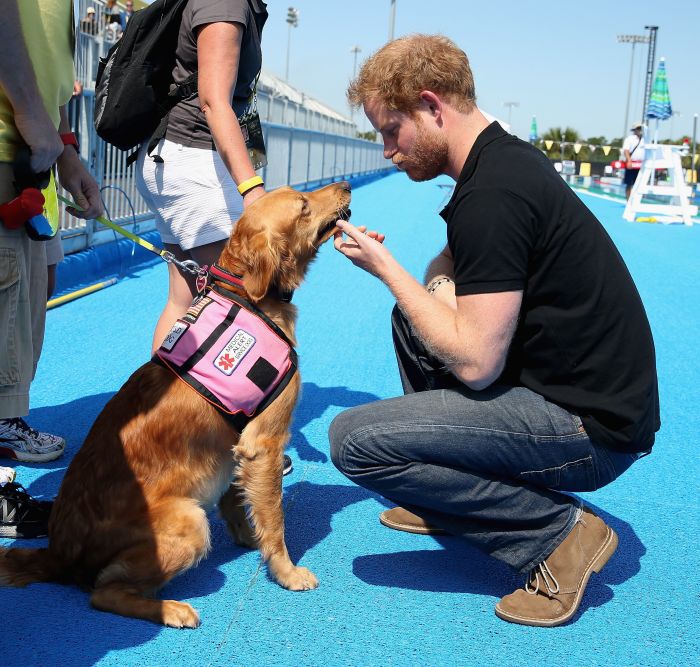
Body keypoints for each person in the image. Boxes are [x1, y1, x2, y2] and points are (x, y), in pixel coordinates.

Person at [329, 35, 659, 628]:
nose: (386, 151)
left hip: (592, 431)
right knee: (417, 317)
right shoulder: (499, 160)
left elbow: (477, 362)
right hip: (569, 394)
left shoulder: (494, 192)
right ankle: (445, 494)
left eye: (392, 130)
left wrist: (389, 272)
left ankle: (559, 537)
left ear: (432, 107)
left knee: (353, 440)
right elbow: (449, 263)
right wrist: (428, 291)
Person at [133, 1, 294, 475]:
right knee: (234, 308)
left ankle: (160, 421)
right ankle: (226, 434)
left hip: (175, 157)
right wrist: (253, 190)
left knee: (185, 300)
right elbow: (213, 98)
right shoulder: (226, 0)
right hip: (194, 160)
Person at [0, 0, 102, 533]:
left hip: (29, 151)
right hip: (10, 144)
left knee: (17, 321)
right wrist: (29, 118)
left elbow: (48, 74)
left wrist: (65, 151)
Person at [622, 121, 645, 200]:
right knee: (629, 183)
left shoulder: (645, 139)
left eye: (641, 128)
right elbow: (626, 150)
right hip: (632, 164)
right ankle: (628, 201)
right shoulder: (630, 139)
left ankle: (636, 200)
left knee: (639, 184)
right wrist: (629, 161)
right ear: (634, 130)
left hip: (641, 165)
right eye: (638, 128)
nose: (640, 130)